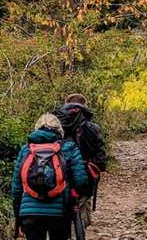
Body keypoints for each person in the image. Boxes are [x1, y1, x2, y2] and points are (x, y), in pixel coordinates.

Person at [11, 114, 90, 240]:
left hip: (29, 212)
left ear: (37, 128)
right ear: (59, 129)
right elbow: (81, 180)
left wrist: (19, 216)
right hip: (59, 213)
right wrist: (73, 196)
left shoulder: (26, 150)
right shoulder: (68, 147)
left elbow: (16, 189)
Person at [51, 93, 107, 226]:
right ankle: (81, 228)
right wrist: (98, 167)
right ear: (84, 106)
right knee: (83, 204)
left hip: (60, 173)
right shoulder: (92, 127)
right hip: (86, 173)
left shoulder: (56, 125)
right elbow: (100, 155)